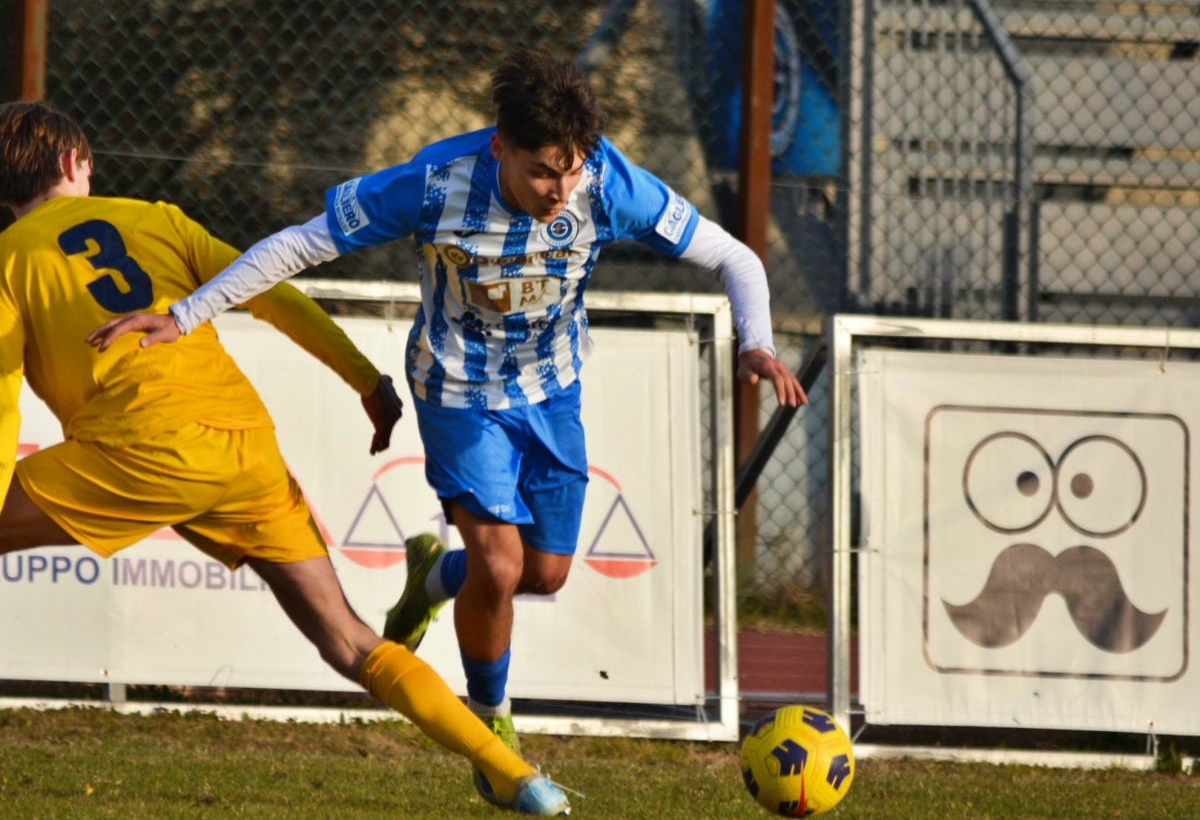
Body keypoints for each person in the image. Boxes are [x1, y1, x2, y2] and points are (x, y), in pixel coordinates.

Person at [89, 46, 806, 797]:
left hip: (552, 392)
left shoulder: (608, 183)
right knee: (499, 566)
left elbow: (737, 258)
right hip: (457, 391)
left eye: (569, 171)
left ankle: (432, 573)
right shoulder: (433, 186)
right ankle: (491, 733)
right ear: (500, 148)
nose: (559, 192)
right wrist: (183, 312)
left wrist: (756, 342)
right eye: (540, 172)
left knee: (543, 572)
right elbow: (301, 242)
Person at [0, 100, 571, 816]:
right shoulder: (156, 218)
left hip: (136, 447)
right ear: (73, 165)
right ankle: (516, 774)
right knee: (351, 640)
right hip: (243, 446)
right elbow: (273, 295)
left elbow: (1, 392)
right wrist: (366, 379)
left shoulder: (9, 258)